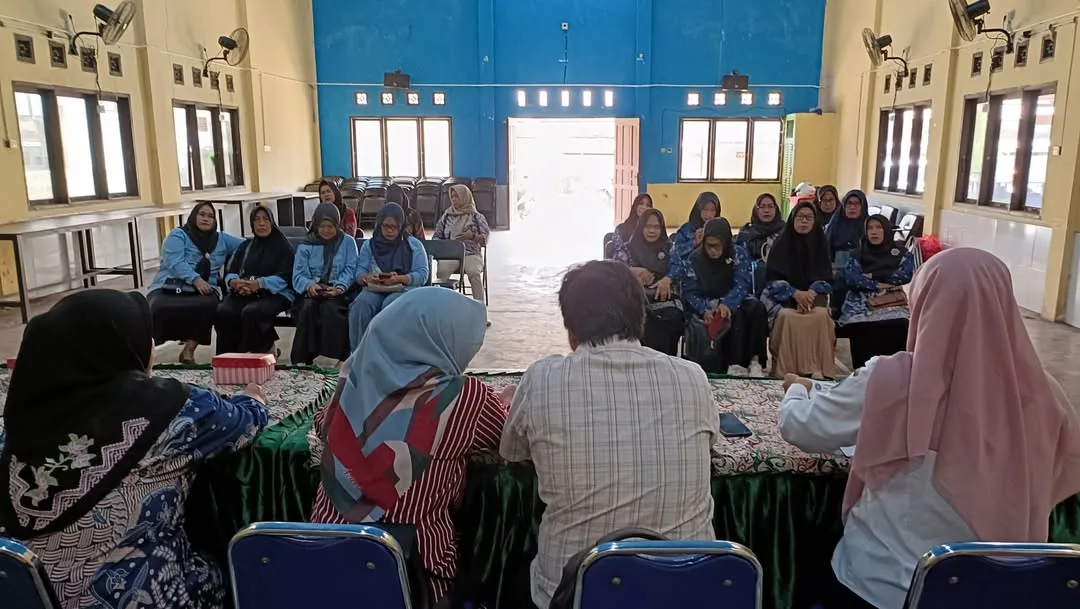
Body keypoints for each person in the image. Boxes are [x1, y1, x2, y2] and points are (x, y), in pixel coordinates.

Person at [777, 248, 1080, 609]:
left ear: (925, 307)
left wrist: (797, 389)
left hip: (879, 587)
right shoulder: (1046, 396)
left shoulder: (893, 381)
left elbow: (801, 427)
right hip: (997, 591)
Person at [0, 289, 269, 609]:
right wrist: (253, 397)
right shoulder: (168, 408)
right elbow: (243, 423)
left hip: (28, 597)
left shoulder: (21, 420)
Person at [500, 260, 717, 609]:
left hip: (573, 593)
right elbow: (711, 443)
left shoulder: (542, 380)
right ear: (641, 319)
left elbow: (511, 453)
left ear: (570, 330)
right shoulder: (692, 377)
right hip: (687, 590)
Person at [311, 287, 508, 606]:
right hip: (415, 577)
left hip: (326, 566)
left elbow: (323, 423)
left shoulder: (353, 379)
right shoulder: (465, 398)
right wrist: (505, 403)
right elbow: (505, 438)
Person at [146, 202, 244, 363]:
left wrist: (236, 263)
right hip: (170, 285)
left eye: (210, 216)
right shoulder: (178, 235)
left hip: (205, 289)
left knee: (208, 305)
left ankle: (188, 351)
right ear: (194, 216)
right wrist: (196, 279)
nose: (206, 219)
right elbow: (175, 262)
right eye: (202, 214)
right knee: (157, 306)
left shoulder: (222, 239)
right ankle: (149, 351)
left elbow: (249, 246)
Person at [681, 218, 769, 375]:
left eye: (717, 246)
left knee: (755, 308)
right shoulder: (694, 259)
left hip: (732, 299)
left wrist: (727, 303)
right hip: (706, 302)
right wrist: (704, 309)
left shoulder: (737, 254)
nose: (712, 251)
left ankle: (754, 360)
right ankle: (730, 363)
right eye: (708, 246)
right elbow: (689, 292)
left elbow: (742, 283)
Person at [762, 200, 836, 378]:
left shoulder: (821, 244)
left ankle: (819, 369)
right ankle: (785, 370)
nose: (804, 221)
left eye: (809, 218)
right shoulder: (781, 244)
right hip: (784, 296)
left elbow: (826, 277)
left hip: (813, 295)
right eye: (800, 217)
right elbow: (771, 280)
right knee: (788, 317)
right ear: (792, 219)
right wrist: (794, 293)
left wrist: (810, 293)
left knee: (820, 316)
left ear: (814, 221)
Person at [349, 202, 429, 349]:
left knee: (390, 305)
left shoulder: (414, 245)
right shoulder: (370, 245)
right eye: (385, 226)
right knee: (361, 305)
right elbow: (359, 271)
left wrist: (399, 278)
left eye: (394, 227)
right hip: (375, 288)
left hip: (403, 289)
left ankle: (387, 356)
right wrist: (366, 278)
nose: (389, 231)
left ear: (401, 226)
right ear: (379, 225)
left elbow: (422, 274)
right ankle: (359, 355)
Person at [839, 215, 915, 369]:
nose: (874, 232)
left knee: (901, 324)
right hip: (860, 302)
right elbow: (853, 279)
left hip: (892, 301)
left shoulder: (900, 253)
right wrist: (882, 283)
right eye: (870, 228)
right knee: (860, 325)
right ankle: (863, 371)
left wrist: (870, 277)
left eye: (879, 227)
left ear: (886, 230)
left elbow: (905, 275)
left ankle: (894, 370)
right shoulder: (857, 254)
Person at [291, 203, 359, 365]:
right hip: (311, 292)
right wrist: (310, 285)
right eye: (322, 226)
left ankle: (330, 358)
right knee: (307, 309)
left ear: (337, 225)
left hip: (339, 292)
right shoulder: (306, 245)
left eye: (330, 226)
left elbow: (351, 269)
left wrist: (339, 287)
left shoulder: (347, 242)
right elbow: (298, 274)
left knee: (330, 309)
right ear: (315, 225)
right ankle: (303, 359)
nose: (326, 230)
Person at [613, 208, 682, 355]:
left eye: (656, 227)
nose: (652, 231)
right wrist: (633, 272)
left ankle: (666, 361)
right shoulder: (628, 249)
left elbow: (679, 267)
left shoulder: (670, 248)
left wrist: (667, 279)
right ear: (641, 227)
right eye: (648, 226)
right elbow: (615, 270)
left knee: (673, 316)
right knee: (639, 319)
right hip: (636, 299)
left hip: (664, 297)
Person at [433, 184, 490, 303]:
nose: (453, 199)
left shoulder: (476, 217)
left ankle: (480, 310)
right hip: (450, 254)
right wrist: (442, 246)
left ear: (465, 197)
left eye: (457, 197)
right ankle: (442, 307)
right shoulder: (446, 216)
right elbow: (437, 236)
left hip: (471, 254)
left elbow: (485, 239)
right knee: (442, 272)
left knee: (474, 273)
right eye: (452, 197)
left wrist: (473, 236)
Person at [669, 191, 721, 281]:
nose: (709, 215)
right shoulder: (686, 229)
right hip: (688, 276)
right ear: (698, 209)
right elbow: (675, 252)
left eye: (712, 210)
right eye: (705, 209)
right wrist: (693, 243)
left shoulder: (720, 229)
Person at [735, 193, 784, 262]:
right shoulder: (746, 232)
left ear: (776, 209)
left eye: (770, 206)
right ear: (756, 210)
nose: (766, 210)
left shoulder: (784, 232)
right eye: (762, 206)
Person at [825, 189, 869, 265]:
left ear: (863, 206)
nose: (852, 207)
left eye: (857, 203)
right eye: (849, 203)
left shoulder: (870, 226)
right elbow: (825, 247)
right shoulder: (836, 223)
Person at [610, 193, 653, 259]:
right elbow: (618, 256)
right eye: (641, 203)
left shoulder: (654, 231)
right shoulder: (621, 229)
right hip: (625, 267)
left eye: (648, 205)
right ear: (635, 206)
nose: (644, 207)